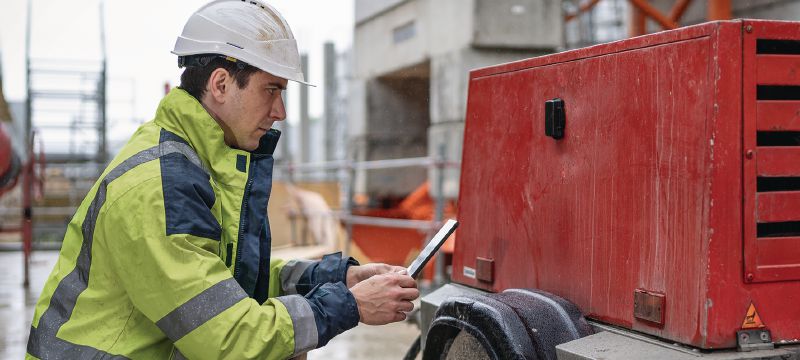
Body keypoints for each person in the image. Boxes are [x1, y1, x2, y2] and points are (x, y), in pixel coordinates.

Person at [26, 1, 419, 359]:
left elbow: (229, 279)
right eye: (272, 90)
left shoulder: (201, 165)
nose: (280, 111)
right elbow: (227, 337)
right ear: (220, 84)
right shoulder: (159, 187)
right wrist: (348, 305)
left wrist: (337, 277)